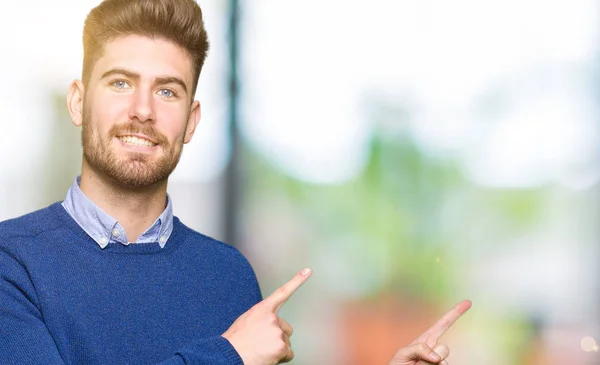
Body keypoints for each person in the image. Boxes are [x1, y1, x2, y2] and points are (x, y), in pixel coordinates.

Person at [0, 0, 471, 364]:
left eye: (167, 90)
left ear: (191, 121)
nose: (143, 110)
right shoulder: (12, 263)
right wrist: (230, 355)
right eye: (120, 83)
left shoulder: (228, 276)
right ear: (79, 102)